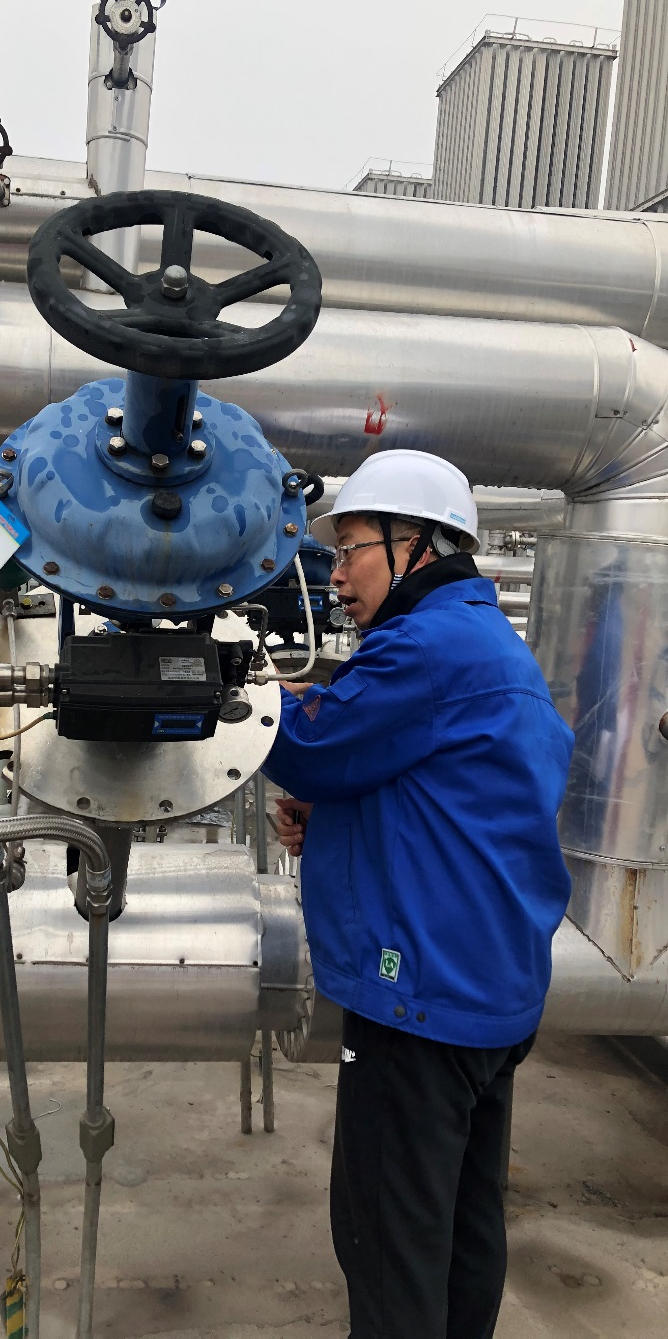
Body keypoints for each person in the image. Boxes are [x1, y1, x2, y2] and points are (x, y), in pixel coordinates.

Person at [262, 449, 573, 1339]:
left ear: (418, 546)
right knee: (461, 1228)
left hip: (420, 1004)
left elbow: (311, 746)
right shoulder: (488, 644)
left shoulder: (424, 648)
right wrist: (338, 821)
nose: (336, 575)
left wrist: (240, 691)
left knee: (387, 1244)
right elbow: (447, 799)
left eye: (351, 549)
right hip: (489, 991)